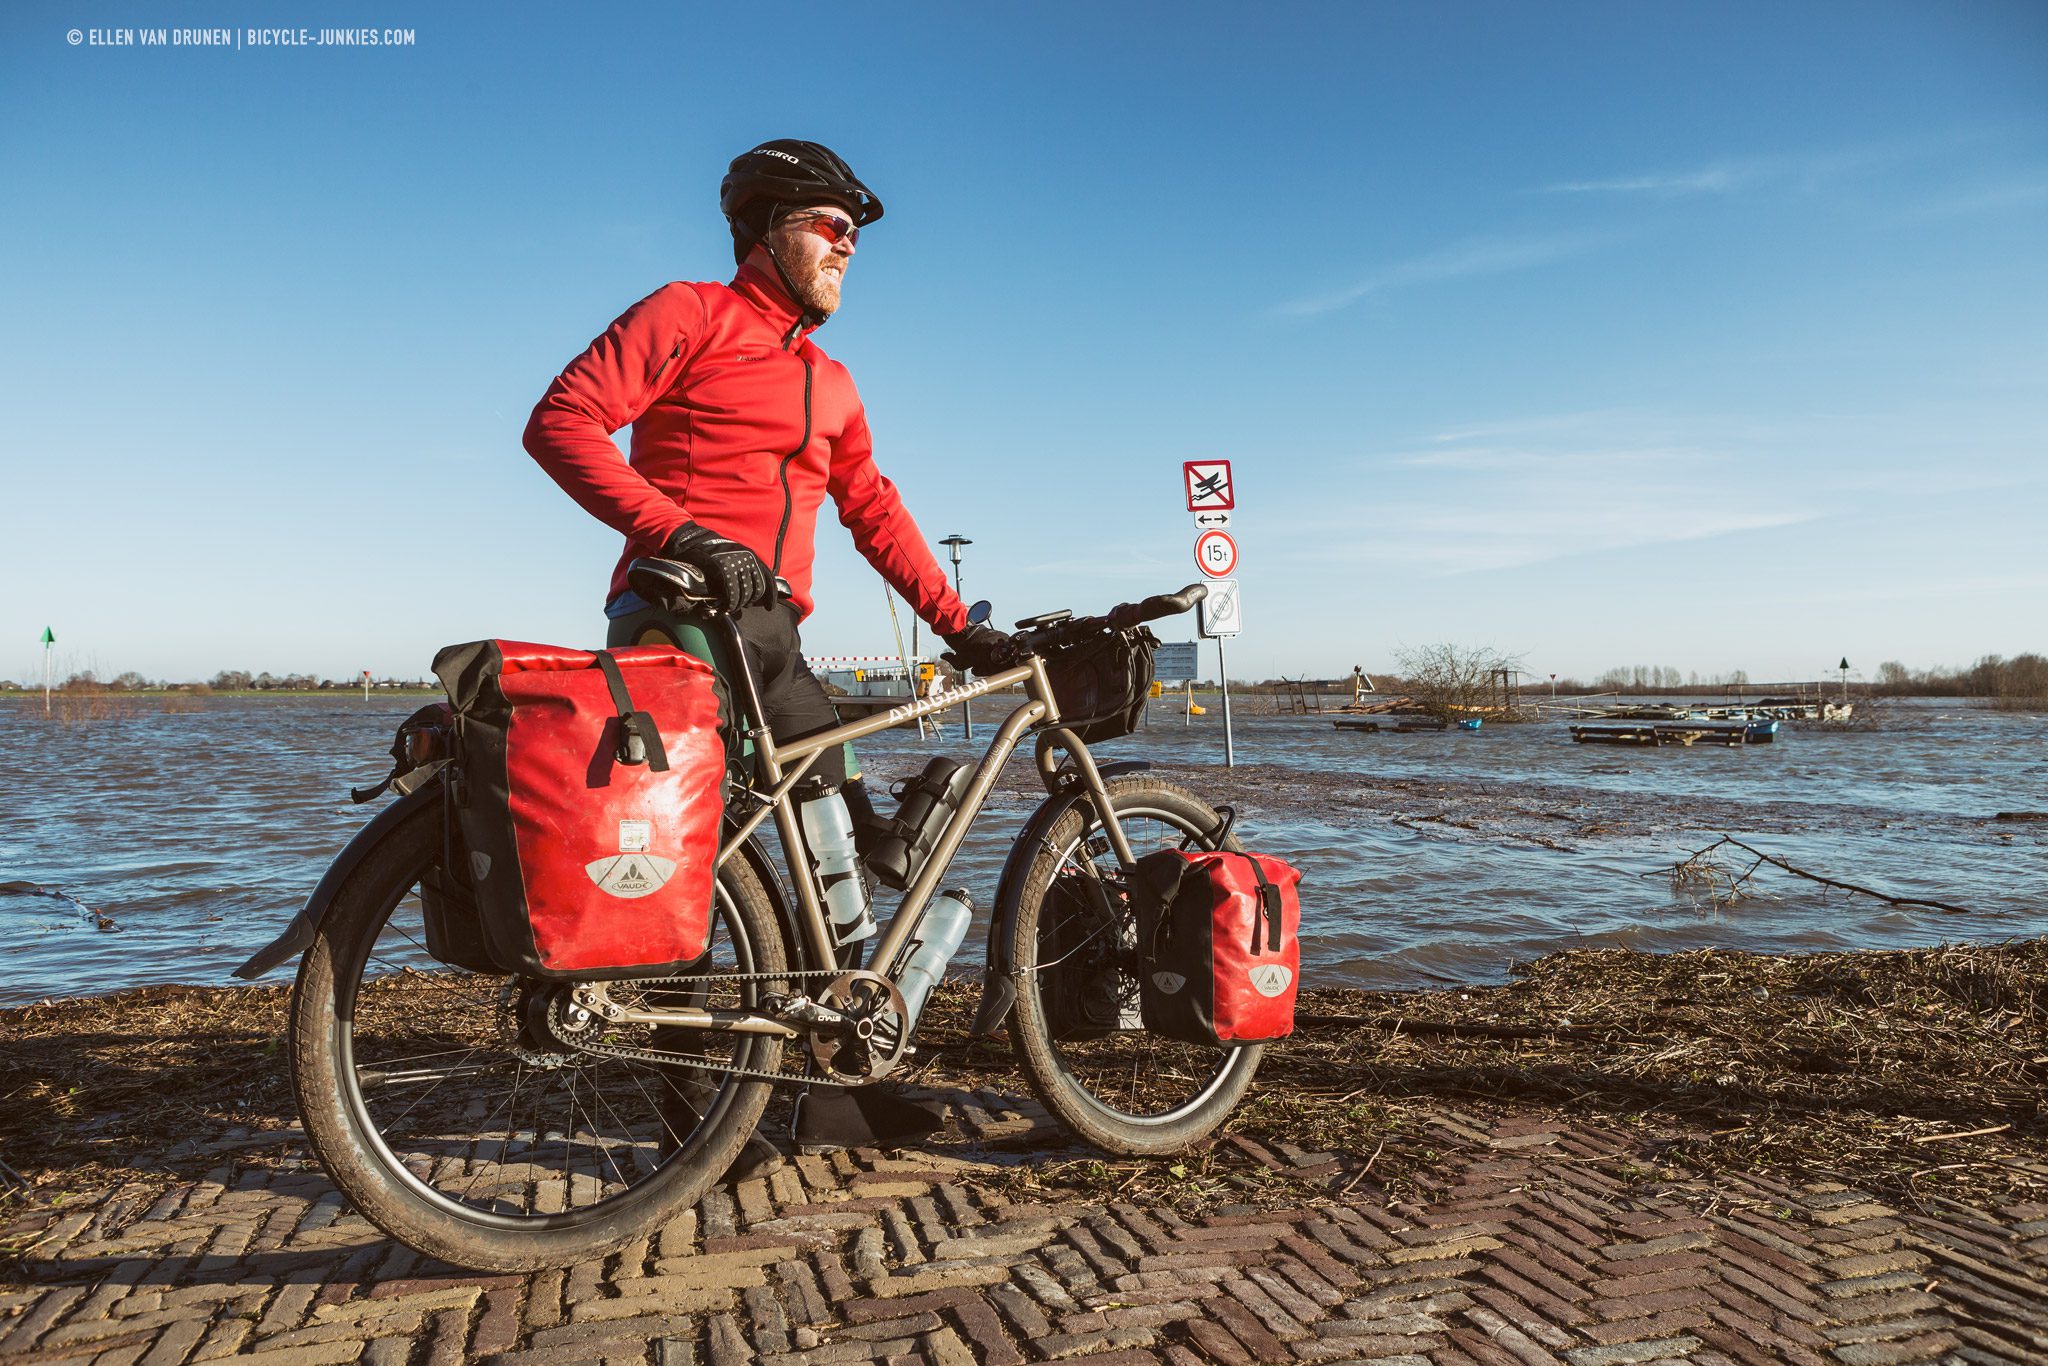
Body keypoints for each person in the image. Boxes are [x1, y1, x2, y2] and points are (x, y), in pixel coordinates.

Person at [522, 139, 1015, 1172]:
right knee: (707, 868)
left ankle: (835, 1086)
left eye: (853, 236)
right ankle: (695, 1118)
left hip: (773, 635)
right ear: (765, 228)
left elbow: (872, 510)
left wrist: (957, 623)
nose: (845, 249)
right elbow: (561, 421)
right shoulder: (689, 313)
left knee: (831, 840)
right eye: (827, 227)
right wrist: (679, 531)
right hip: (681, 617)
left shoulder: (829, 379)